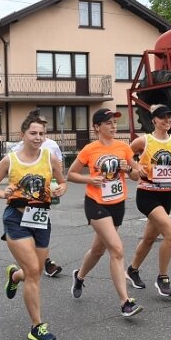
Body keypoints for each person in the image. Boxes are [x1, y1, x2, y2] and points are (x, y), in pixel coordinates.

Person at [0, 111, 67, 340]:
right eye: (33, 133)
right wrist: (4, 193)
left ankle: (14, 275)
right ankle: (36, 326)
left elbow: (62, 182)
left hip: (41, 219)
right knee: (33, 271)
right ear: (23, 135)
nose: (38, 137)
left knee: (35, 271)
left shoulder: (50, 157)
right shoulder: (10, 159)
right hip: (16, 218)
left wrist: (61, 188)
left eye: (42, 133)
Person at [66, 108, 143, 317]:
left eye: (114, 122)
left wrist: (129, 170)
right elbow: (71, 174)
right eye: (108, 123)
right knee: (117, 250)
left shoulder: (123, 147)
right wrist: (89, 179)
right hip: (95, 203)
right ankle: (125, 302)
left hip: (117, 203)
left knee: (98, 250)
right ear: (97, 127)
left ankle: (79, 276)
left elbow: (136, 176)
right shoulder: (90, 149)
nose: (113, 126)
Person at [127, 105, 171, 297]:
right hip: (147, 194)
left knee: (149, 238)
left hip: (166, 194)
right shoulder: (144, 141)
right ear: (154, 120)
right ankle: (162, 278)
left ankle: (132, 270)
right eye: (162, 117)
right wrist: (136, 167)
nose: (167, 120)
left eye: (169, 117)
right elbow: (125, 157)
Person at [10, 111, 63, 277]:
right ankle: (42, 262)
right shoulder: (17, 148)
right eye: (39, 125)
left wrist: (58, 186)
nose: (40, 133)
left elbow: (59, 169)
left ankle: (39, 261)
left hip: (45, 192)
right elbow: (12, 174)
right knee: (29, 230)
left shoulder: (52, 145)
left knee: (39, 224)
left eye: (44, 126)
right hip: (24, 198)